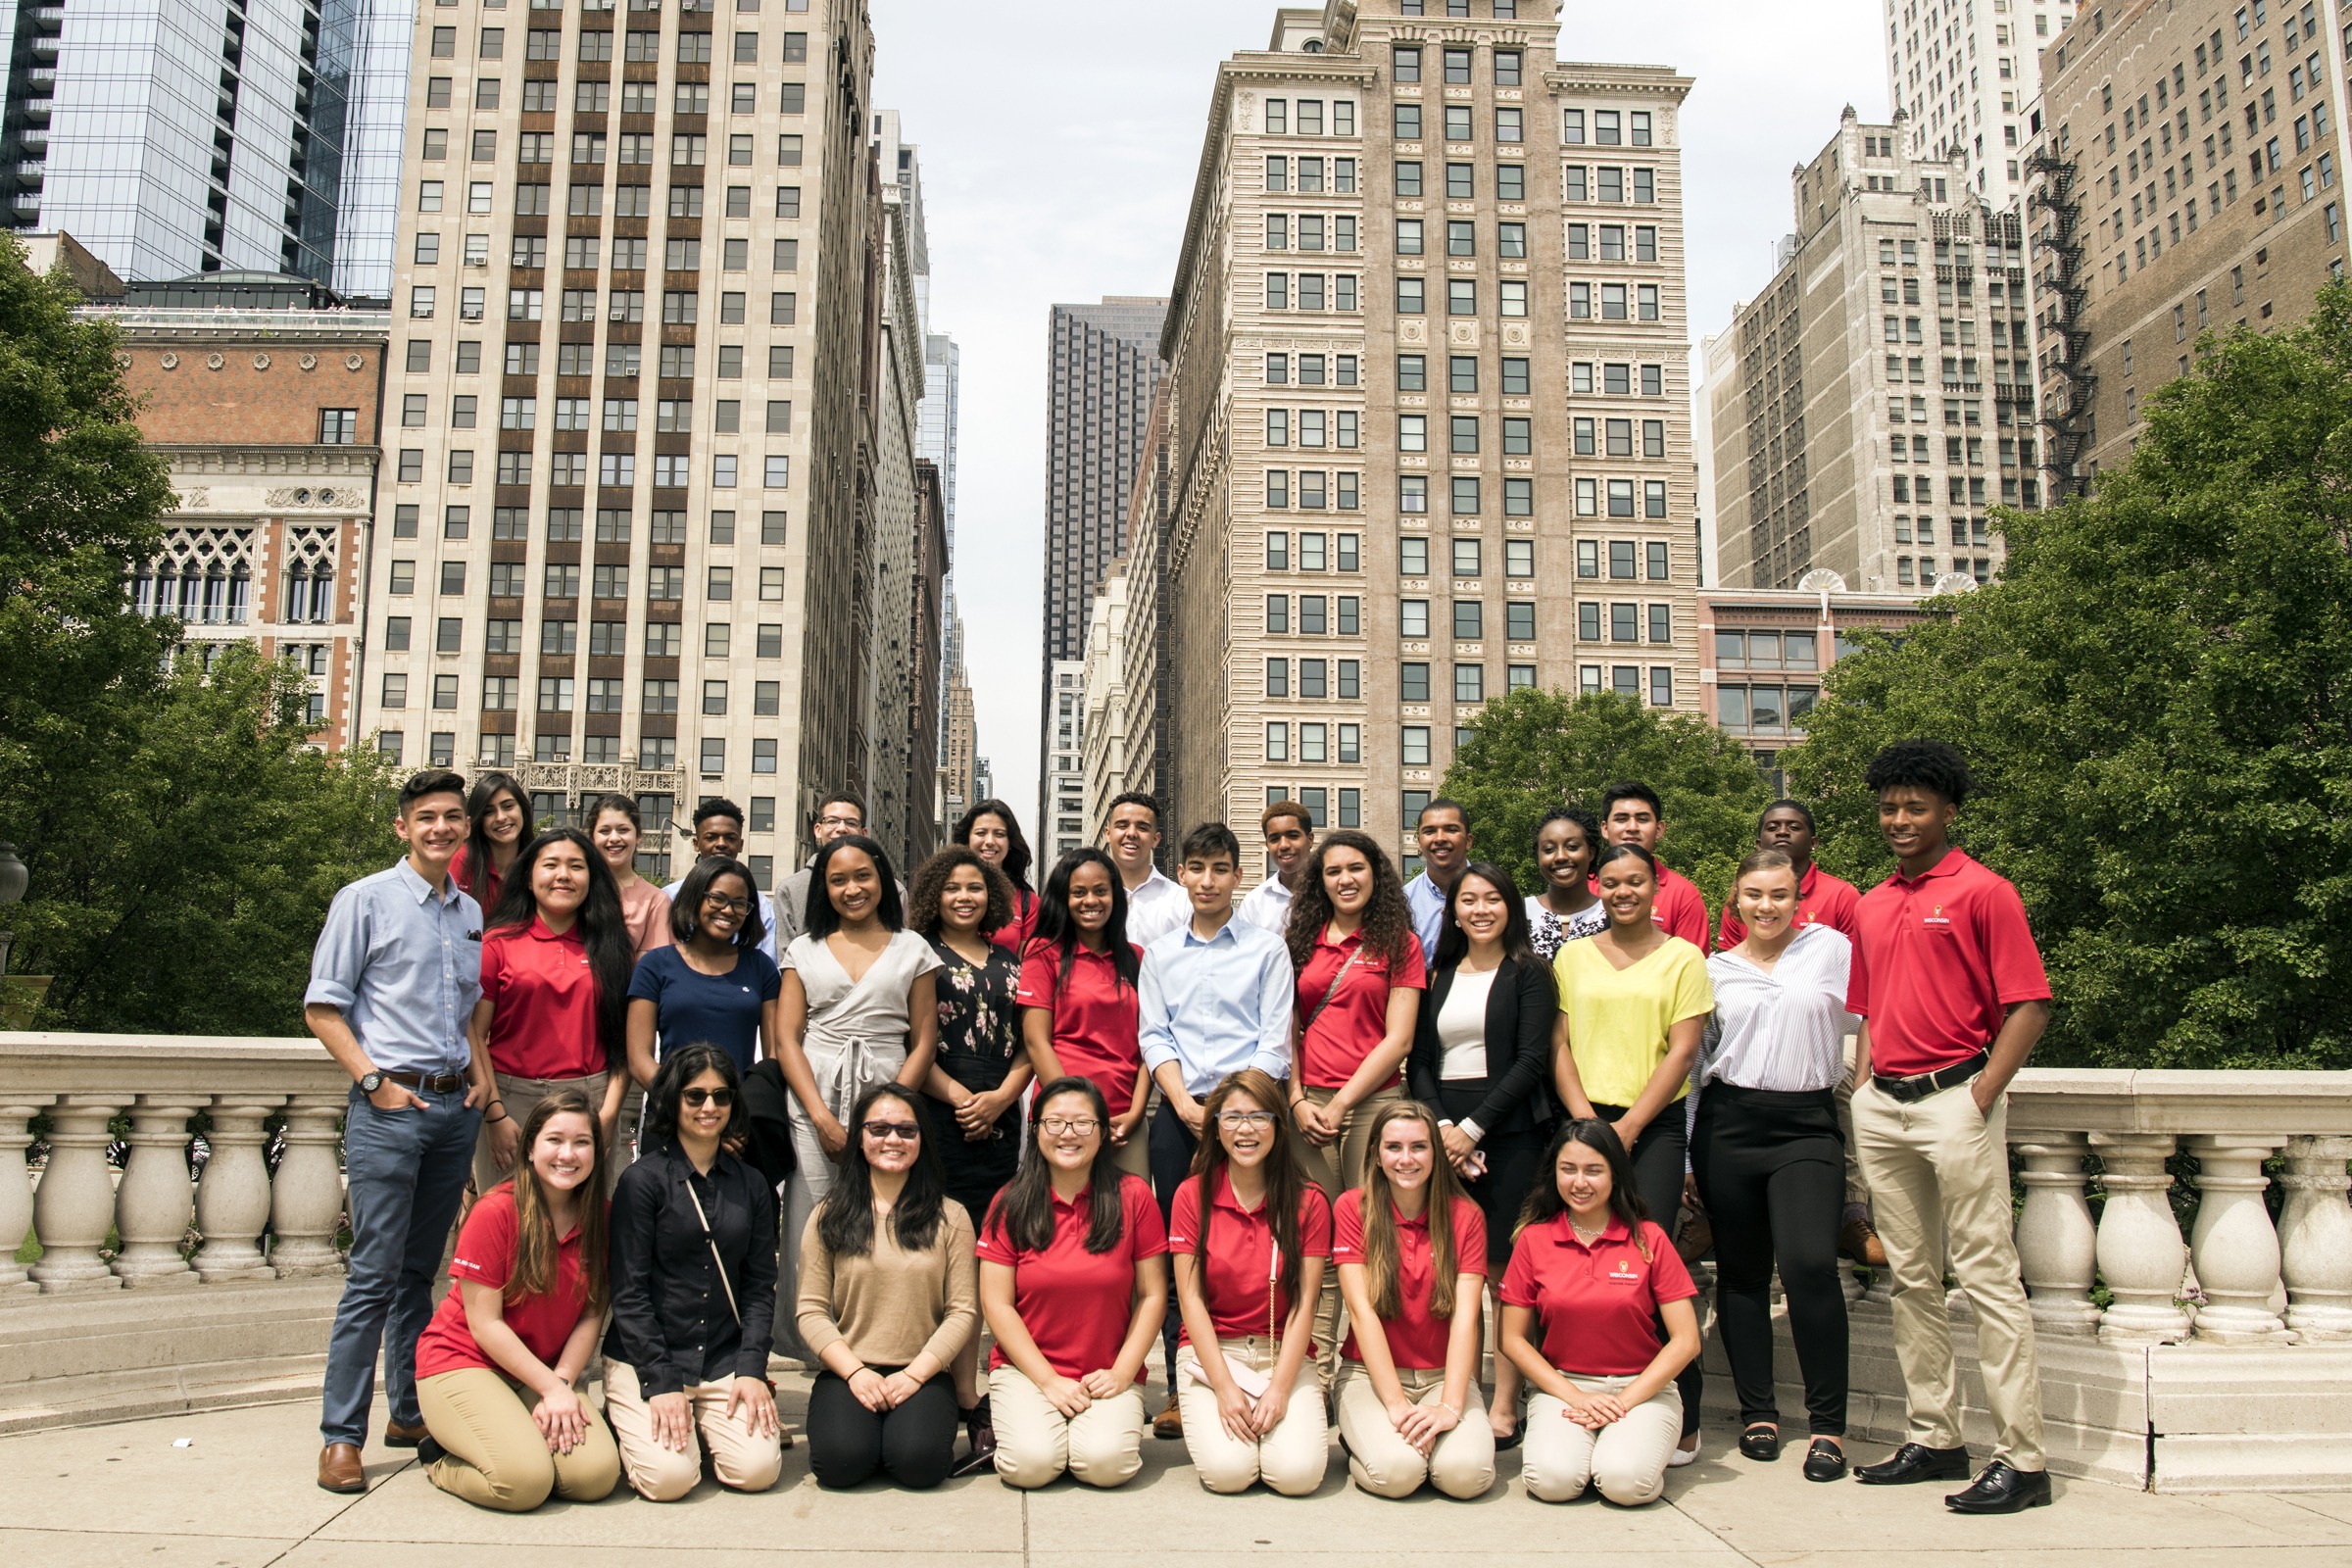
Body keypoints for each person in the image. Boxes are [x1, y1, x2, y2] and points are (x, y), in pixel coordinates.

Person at [1846, 741, 2053, 1514]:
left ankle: (2023, 1460)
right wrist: (1864, 1088)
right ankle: (1935, 1438)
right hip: (1885, 1107)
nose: (1899, 819)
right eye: (1889, 807)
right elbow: (1869, 1008)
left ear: (1948, 812)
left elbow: (2029, 1004)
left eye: (1915, 807)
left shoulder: (1984, 892)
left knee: (1988, 1277)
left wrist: (1981, 1094)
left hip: (1955, 1100)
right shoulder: (1872, 902)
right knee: (1911, 1278)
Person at [306, 768, 491, 1494]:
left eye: (452, 817)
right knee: (374, 1275)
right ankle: (341, 1436)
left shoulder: (470, 911)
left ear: (464, 828)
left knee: (421, 1273)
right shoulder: (364, 900)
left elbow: (467, 1010)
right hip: (390, 1109)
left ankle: (408, 1412)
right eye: (427, 817)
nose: (441, 828)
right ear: (403, 827)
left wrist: (479, 1079)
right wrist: (372, 1083)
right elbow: (323, 1007)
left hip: (452, 1111)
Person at [1694, 849, 1858, 1483]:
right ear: (1735, 900)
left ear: (1798, 899)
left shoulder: (1831, 950)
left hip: (1806, 1123)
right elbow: (1696, 1061)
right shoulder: (1713, 969)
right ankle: (1758, 1413)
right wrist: (1689, 1152)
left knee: (1810, 1266)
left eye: (1779, 895)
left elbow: (1872, 1016)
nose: (1767, 906)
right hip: (1729, 1123)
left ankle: (1828, 1427)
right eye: (1754, 895)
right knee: (1741, 1275)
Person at [1550, 842, 1711, 1464]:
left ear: (1655, 887)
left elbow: (1683, 1051)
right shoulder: (1573, 955)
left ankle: (1683, 1415)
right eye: (1613, 883)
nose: (1624, 893)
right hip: (1584, 1122)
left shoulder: (1683, 958)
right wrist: (1589, 1128)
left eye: (1636, 882)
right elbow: (1559, 1044)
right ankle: (1581, 1403)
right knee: (1578, 1260)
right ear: (1597, 886)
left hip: (1653, 1126)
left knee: (1652, 1258)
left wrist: (1628, 1128)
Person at [1138, 821, 1295, 1439]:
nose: (1208, 881)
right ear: (1181, 874)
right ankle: (1183, 1388)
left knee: (1259, 1244)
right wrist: (1182, 1101)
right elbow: (1155, 1035)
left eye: (1220, 869)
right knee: (1183, 1250)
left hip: (1252, 1117)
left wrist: (1235, 1110)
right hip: (1180, 1115)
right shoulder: (1161, 954)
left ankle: (1270, 1372)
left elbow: (1274, 1040)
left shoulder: (1267, 949)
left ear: (1238, 876)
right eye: (1197, 868)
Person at [773, 834, 942, 1363]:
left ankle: (884, 1337)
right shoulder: (803, 949)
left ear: (883, 881)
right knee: (811, 1218)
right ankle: (816, 1347)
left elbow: (924, 1039)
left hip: (889, 1087)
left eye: (863, 876)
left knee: (886, 1214)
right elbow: (787, 1039)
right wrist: (820, 1117)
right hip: (814, 1089)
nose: (852, 889)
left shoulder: (913, 948)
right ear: (823, 888)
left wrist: (893, 1110)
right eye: (838, 880)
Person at [411, 1088, 620, 1511]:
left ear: (597, 1153)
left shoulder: (603, 1217)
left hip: (539, 1371)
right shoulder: (495, 1211)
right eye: (554, 1140)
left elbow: (592, 1313)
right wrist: (551, 1388)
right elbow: (485, 1325)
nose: (568, 1154)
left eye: (582, 1142)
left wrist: (562, 1384)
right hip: (464, 1362)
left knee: (594, 1476)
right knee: (523, 1484)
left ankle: (517, 1440)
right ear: (529, 1148)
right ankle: (439, 1460)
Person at [1407, 860, 1557, 1448]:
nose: (1480, 910)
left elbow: (1531, 1060)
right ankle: (1460, 1394)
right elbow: (1421, 1060)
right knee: (1453, 1273)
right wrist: (1444, 1128)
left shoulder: (1530, 973)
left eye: (1492, 899)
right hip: (1443, 1133)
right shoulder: (1439, 972)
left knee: (1502, 1275)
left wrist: (1473, 1129)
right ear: (1453, 912)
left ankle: (1505, 1403)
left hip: (1510, 1132)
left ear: (1510, 907)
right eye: (1468, 900)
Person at [604, 1045, 784, 1500]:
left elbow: (760, 1287)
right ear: (673, 1099)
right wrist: (661, 1380)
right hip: (650, 1358)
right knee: (669, 1480)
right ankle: (631, 1418)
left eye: (721, 1096)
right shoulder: (641, 1181)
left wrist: (751, 1368)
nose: (709, 1106)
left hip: (722, 1359)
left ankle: (698, 1429)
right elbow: (628, 1292)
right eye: (695, 1095)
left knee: (757, 1471)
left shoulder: (752, 1184)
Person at [1712, 800, 1882, 1269]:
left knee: (1847, 1092)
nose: (1782, 833)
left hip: (1828, 1029)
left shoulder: (1842, 896)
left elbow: (1859, 993)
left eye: (1794, 826)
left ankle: (1851, 1211)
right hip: (1750, 1055)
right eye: (1773, 826)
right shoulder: (1729, 933)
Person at [977, 1077, 1169, 1491]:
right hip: (1027, 1370)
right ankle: (1035, 1426)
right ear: (1035, 1130)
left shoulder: (1134, 1195)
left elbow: (1153, 1295)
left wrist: (1122, 1372)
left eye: (1083, 1123)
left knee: (1105, 1466)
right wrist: (1048, 1381)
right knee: (1031, 1466)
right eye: (1055, 1122)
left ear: (1103, 1132)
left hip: (1106, 1371)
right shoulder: (1009, 1202)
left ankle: (1072, 1434)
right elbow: (996, 1304)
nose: (1069, 1133)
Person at [1500, 1118, 1700, 1506]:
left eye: (1594, 1170)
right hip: (1563, 1388)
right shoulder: (1533, 1239)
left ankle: (1617, 1453)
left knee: (1624, 1483)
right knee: (1552, 1482)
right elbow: (1512, 1339)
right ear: (1554, 1173)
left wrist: (1622, 1402)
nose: (1580, 1182)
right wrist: (1576, 1397)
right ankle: (1595, 1451)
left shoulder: (1648, 1237)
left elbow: (1686, 1341)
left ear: (1615, 1174)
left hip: (1641, 1389)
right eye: (1568, 1169)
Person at [1287, 828, 1425, 1390]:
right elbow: (1286, 1028)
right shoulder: (1300, 940)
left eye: (1356, 868)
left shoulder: (1400, 944)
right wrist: (1296, 1098)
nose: (1345, 879)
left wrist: (1343, 1102)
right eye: (1333, 871)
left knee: (1375, 1239)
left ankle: (1375, 1372)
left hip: (1375, 1106)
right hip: (1308, 1109)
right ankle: (1316, 1375)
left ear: (1376, 875)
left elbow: (1399, 1039)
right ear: (1319, 882)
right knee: (1316, 1244)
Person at [910, 845, 1031, 1468]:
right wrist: (962, 1099)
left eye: (976, 888)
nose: (965, 897)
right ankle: (938, 1382)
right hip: (940, 1112)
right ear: (935, 894)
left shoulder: (1013, 962)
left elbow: (1031, 1042)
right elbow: (910, 1041)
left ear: (992, 897)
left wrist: (1002, 1098)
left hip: (1000, 1116)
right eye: (953, 888)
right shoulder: (917, 955)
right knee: (940, 1250)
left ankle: (971, 1388)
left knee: (986, 1251)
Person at [797, 1084, 980, 1490]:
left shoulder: (951, 1217)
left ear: (922, 1140)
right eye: (878, 1129)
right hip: (849, 1368)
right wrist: (855, 1373)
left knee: (920, 1465)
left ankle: (894, 1437)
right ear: (860, 1138)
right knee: (840, 1464)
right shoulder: (828, 1216)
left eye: (906, 1130)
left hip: (923, 1370)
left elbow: (962, 1311)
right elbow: (810, 1310)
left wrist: (915, 1375)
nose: (892, 1139)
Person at [1166, 1068, 1331, 1495]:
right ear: (1215, 1126)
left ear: (1278, 1125)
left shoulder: (1309, 1200)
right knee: (1229, 1473)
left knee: (1297, 1476)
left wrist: (1279, 1390)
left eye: (1259, 1117)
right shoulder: (1191, 1195)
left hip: (1282, 1353)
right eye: (1233, 1117)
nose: (1246, 1129)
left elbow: (1305, 1304)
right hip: (1213, 1353)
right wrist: (1224, 1387)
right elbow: (1190, 1299)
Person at [1332, 1101, 1494, 1500]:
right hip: (1370, 1378)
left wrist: (1450, 1407)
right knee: (1398, 1474)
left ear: (1436, 1154)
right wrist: (1396, 1406)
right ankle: (1365, 1444)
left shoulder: (1466, 1216)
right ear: (1376, 1154)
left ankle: (1420, 1450)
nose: (1407, 1159)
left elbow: (1465, 1318)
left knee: (1465, 1477)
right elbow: (1361, 1313)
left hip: (1443, 1377)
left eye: (1419, 1147)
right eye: (1394, 1147)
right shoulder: (1352, 1207)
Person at [469, 827, 633, 1187]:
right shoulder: (497, 944)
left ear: (591, 878)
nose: (563, 875)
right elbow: (474, 1035)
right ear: (529, 879)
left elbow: (624, 1044)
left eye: (576, 866)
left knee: (585, 1218)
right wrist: (494, 1114)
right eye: (550, 865)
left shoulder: (612, 948)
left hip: (591, 1102)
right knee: (505, 1214)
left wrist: (608, 1116)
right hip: (511, 1103)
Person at [1017, 848, 1150, 1176]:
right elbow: (1036, 1042)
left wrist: (1136, 1113)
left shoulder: (1136, 958)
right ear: (1064, 898)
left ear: (1115, 896)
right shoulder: (1043, 952)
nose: (1091, 900)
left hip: (1123, 1123)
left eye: (1100, 891)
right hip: (1061, 1121)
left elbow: (1151, 1044)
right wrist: (1077, 1117)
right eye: (1079, 892)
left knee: (1132, 1207)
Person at [625, 857, 782, 1085]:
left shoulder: (761, 967)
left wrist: (749, 1098)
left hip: (740, 1103)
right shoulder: (654, 965)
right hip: (668, 1101)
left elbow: (773, 1055)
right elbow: (638, 1059)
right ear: (694, 898)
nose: (728, 910)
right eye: (717, 899)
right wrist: (680, 1099)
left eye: (739, 904)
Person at [775, 794, 906, 949]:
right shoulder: (789, 889)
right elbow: (785, 955)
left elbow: (900, 947)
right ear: (818, 830)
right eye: (832, 821)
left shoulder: (894, 889)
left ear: (864, 833)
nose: (842, 829)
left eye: (851, 823)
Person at [662, 799, 781, 959]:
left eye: (730, 838)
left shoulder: (762, 907)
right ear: (696, 844)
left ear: (740, 844)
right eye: (711, 837)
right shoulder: (668, 898)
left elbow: (767, 961)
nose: (721, 844)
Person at [1595, 783, 1710, 950]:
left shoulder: (1683, 894)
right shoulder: (1585, 887)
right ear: (1605, 829)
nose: (1632, 828)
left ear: (1659, 829)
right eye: (1621, 819)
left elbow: (1692, 959)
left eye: (1642, 819)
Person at [587, 794, 674, 957]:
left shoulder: (655, 900)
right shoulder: (578, 889)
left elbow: (650, 965)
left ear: (638, 836)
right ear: (592, 838)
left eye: (623, 830)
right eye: (605, 831)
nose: (614, 838)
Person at [954, 797, 1041, 954]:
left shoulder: (1028, 903)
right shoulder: (944, 892)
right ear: (967, 839)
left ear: (1010, 843)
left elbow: (1027, 963)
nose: (989, 841)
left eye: (999, 834)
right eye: (981, 833)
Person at [1104, 790, 1188, 947]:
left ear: (1155, 839)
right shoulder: (1089, 898)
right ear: (1108, 834)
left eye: (1142, 828)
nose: (1131, 833)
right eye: (1122, 826)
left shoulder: (1181, 901)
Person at [1525, 806, 1606, 961]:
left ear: (1591, 853)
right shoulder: (1519, 913)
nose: (1560, 856)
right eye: (1549, 849)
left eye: (1572, 847)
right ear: (1538, 856)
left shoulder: (1611, 915)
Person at [1399, 798, 1473, 960]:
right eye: (1429, 831)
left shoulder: (1496, 894)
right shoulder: (1402, 902)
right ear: (1419, 842)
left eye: (1451, 830)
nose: (1440, 838)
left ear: (1468, 841)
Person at [451, 770, 531, 912]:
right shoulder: (462, 860)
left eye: (508, 806)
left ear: (523, 809)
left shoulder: (538, 862)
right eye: (489, 812)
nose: (501, 817)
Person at [1237, 799, 1315, 937]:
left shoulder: (1331, 891)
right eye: (1274, 839)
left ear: (1310, 840)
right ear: (1267, 845)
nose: (1283, 845)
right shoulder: (1254, 903)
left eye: (1293, 836)